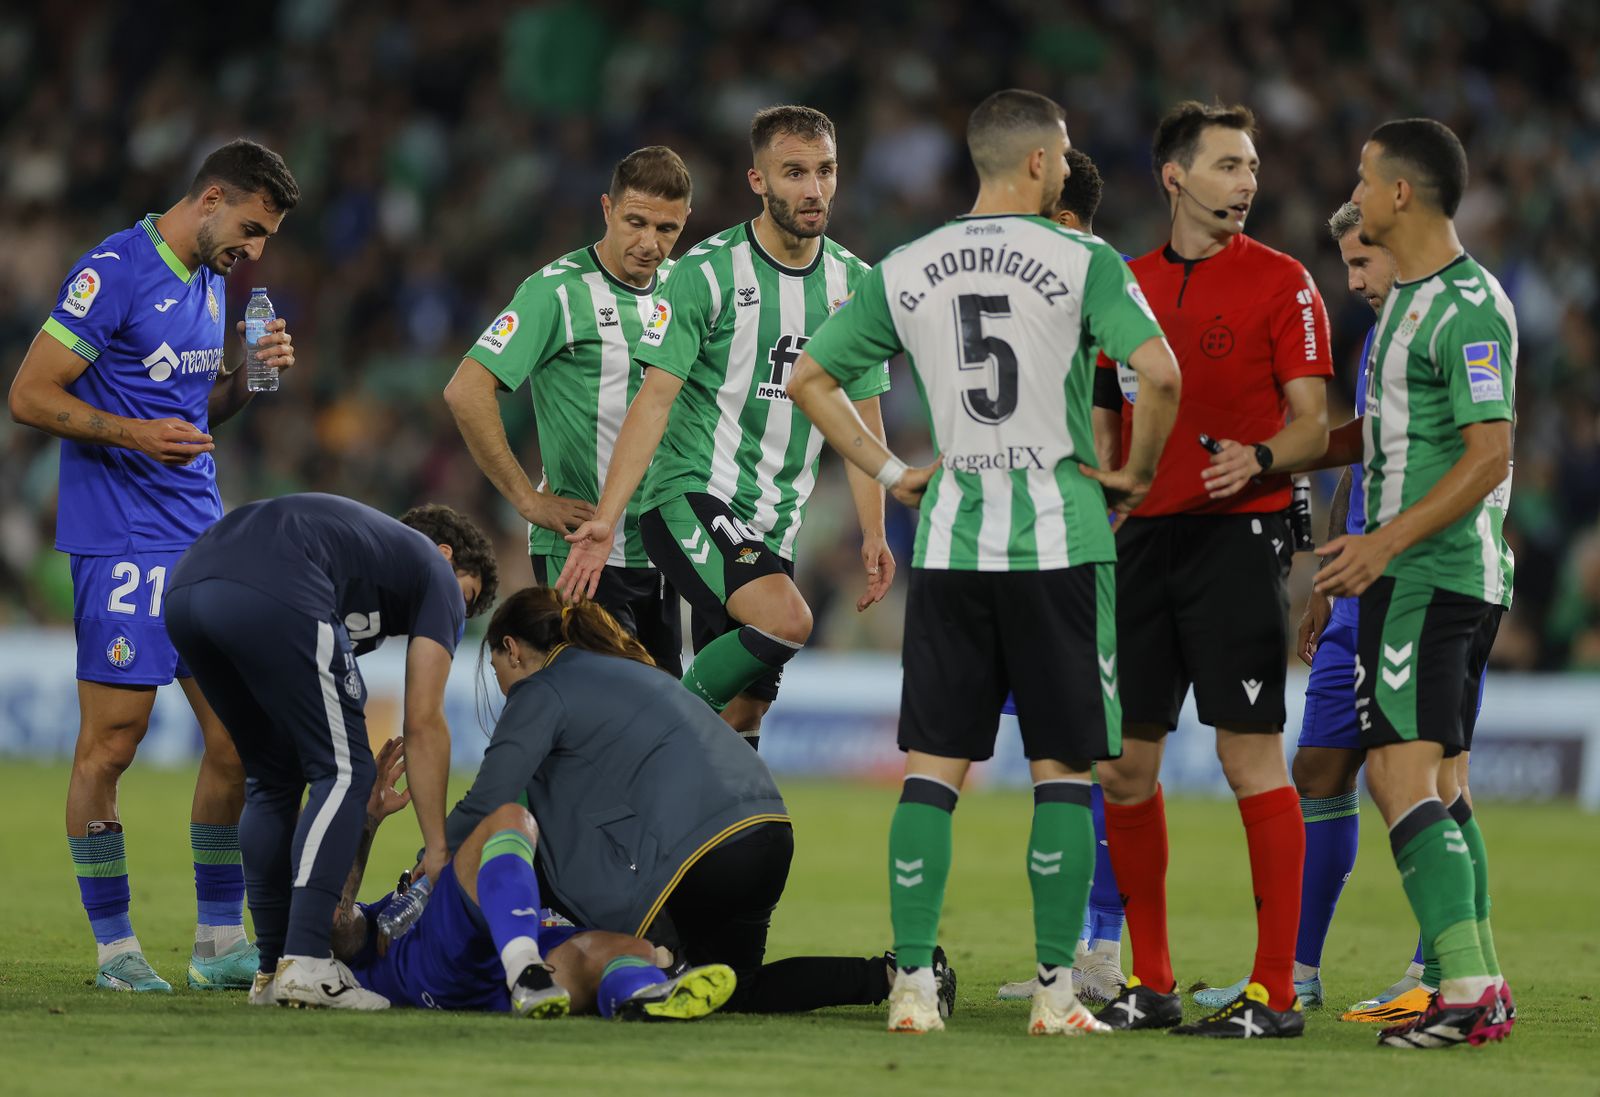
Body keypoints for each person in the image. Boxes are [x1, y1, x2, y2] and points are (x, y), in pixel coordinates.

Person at [788, 88, 1181, 1036]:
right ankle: (1055, 991)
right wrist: (1134, 472)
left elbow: (809, 377)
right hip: (1060, 541)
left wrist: (891, 470)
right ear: (1042, 162)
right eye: (1065, 153)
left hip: (954, 537)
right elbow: (1161, 372)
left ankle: (912, 985)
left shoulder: (907, 265)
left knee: (933, 769)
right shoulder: (1084, 258)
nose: (1066, 165)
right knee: (1063, 772)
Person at [6, 139, 299, 993]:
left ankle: (217, 941)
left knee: (238, 738)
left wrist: (247, 380)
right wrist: (136, 435)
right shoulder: (115, 271)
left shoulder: (212, 277)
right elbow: (28, 394)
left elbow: (189, 414)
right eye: (251, 229)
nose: (255, 251)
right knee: (113, 742)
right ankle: (115, 949)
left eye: (267, 237)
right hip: (122, 538)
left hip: (199, 536)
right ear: (210, 199)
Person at [1081, 101, 1333, 1038]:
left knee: (1246, 756)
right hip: (1141, 542)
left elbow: (1313, 423)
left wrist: (1260, 458)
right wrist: (1105, 489)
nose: (1247, 182)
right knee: (1124, 767)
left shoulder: (1284, 282)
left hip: (1239, 536)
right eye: (1229, 165)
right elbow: (1105, 410)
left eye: (1252, 167)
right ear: (1174, 176)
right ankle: (1151, 983)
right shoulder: (1124, 283)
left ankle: (1274, 993)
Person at [1277, 120, 1516, 1050]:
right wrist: (1270, 455)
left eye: (1364, 179)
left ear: (1401, 194)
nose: (1356, 193)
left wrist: (1383, 544)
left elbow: (1489, 454)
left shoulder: (1467, 308)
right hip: (1416, 572)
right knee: (1440, 783)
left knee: (1396, 774)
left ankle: (1461, 987)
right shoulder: (1406, 308)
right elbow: (1379, 440)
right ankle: (1479, 981)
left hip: (1430, 574)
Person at [445, 586, 953, 1017]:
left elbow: (491, 798)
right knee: (738, 989)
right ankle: (899, 975)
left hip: (700, 850)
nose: (501, 685)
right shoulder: (631, 667)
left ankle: (663, 963)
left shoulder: (543, 688)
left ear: (512, 649)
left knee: (570, 843)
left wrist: (434, 857)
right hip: (768, 828)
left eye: (495, 667)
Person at [557, 105, 894, 750]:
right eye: (794, 172)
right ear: (758, 181)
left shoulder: (856, 285)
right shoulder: (706, 271)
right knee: (787, 619)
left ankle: (679, 805)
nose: (814, 189)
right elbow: (653, 403)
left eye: (825, 171)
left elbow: (862, 417)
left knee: (742, 716)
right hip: (690, 495)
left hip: (776, 520)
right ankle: (647, 744)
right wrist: (607, 519)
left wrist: (874, 531)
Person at [164, 493, 498, 1009]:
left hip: (186, 592)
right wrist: (437, 848)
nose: (456, 614)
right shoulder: (433, 569)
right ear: (447, 554)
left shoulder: (358, 566)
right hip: (272, 585)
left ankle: (272, 971)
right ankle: (305, 961)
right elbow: (424, 720)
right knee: (347, 772)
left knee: (273, 777)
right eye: (466, 596)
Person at [445, 147, 693, 673]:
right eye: (636, 222)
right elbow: (466, 390)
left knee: (661, 708)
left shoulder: (685, 288)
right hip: (581, 552)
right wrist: (526, 501)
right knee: (604, 706)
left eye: (666, 229)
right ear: (607, 209)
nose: (650, 243)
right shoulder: (556, 291)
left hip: (663, 550)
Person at [297, 737, 740, 1020]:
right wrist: (367, 822)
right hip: (437, 963)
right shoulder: (362, 930)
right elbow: (334, 921)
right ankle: (527, 972)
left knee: (628, 951)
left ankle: (641, 998)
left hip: (491, 984)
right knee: (509, 820)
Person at [994, 146, 1127, 1006]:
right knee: (1060, 756)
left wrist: (1116, 503)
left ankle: (1103, 950)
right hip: (1027, 547)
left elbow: (1130, 419)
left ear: (1063, 219)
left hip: (1090, 552)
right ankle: (1075, 948)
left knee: (1098, 758)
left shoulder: (1104, 293)